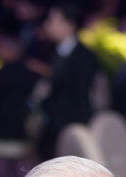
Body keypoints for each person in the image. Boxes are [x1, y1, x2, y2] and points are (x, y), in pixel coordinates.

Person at [36, 2, 98, 159]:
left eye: (53, 20)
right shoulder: (51, 51)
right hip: (52, 127)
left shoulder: (85, 56)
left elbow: (82, 95)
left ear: (70, 25)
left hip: (73, 125)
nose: (48, 25)